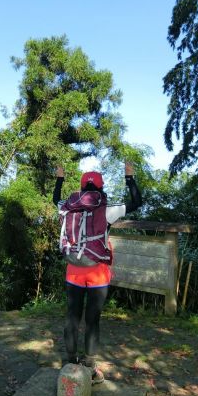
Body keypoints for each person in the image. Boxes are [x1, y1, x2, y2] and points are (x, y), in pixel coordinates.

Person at [53, 163, 142, 384]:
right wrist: (129, 178)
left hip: (73, 270)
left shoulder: (67, 207)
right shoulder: (107, 210)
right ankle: (90, 369)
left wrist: (60, 179)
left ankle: (71, 364)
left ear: (82, 188)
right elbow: (137, 202)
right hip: (98, 274)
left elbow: (55, 199)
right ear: (100, 188)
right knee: (92, 321)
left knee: (72, 318)